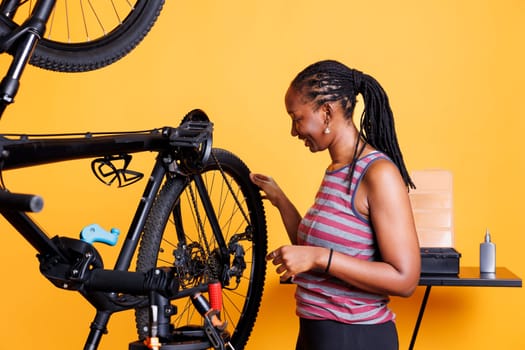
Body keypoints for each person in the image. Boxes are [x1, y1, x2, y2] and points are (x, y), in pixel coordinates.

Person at [250, 60, 421, 350]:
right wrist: (280, 200)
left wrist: (320, 258)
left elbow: (405, 279)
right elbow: (312, 252)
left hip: (355, 337)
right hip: (316, 334)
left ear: (326, 113)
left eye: (297, 118)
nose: (294, 131)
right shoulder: (337, 169)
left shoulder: (378, 174)